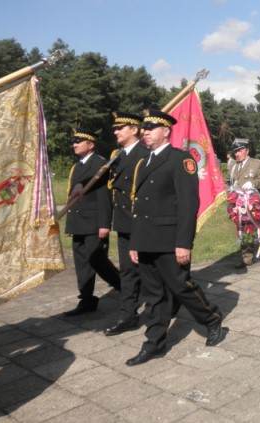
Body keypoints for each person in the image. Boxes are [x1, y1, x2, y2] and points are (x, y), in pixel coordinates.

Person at [127, 110, 225, 366]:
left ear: (166, 131)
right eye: (143, 127)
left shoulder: (181, 160)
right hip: (147, 240)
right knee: (154, 296)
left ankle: (212, 319)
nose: (145, 131)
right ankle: (154, 344)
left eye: (151, 127)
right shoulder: (143, 162)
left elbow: (187, 205)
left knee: (181, 287)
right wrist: (135, 243)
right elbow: (139, 207)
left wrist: (184, 243)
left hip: (170, 240)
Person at [63, 129, 121, 316]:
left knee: (98, 260)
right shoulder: (76, 166)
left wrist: (104, 224)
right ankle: (87, 299)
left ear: (91, 144)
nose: (74, 144)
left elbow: (104, 196)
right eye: (73, 142)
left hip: (94, 223)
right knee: (81, 263)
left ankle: (124, 288)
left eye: (79, 141)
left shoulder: (101, 164)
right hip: (78, 222)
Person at [104, 112, 149, 335]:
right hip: (123, 223)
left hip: (143, 223)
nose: (115, 132)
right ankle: (127, 315)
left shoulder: (146, 154)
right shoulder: (116, 155)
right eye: (115, 128)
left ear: (134, 129)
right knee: (128, 272)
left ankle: (162, 309)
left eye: (120, 127)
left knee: (152, 271)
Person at [227, 138, 260, 267]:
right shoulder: (233, 166)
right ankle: (246, 258)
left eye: (239, 150)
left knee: (258, 227)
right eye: (235, 151)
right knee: (242, 228)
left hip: (253, 203)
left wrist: (253, 183)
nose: (236, 154)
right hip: (239, 204)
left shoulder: (256, 163)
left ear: (246, 150)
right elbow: (231, 182)